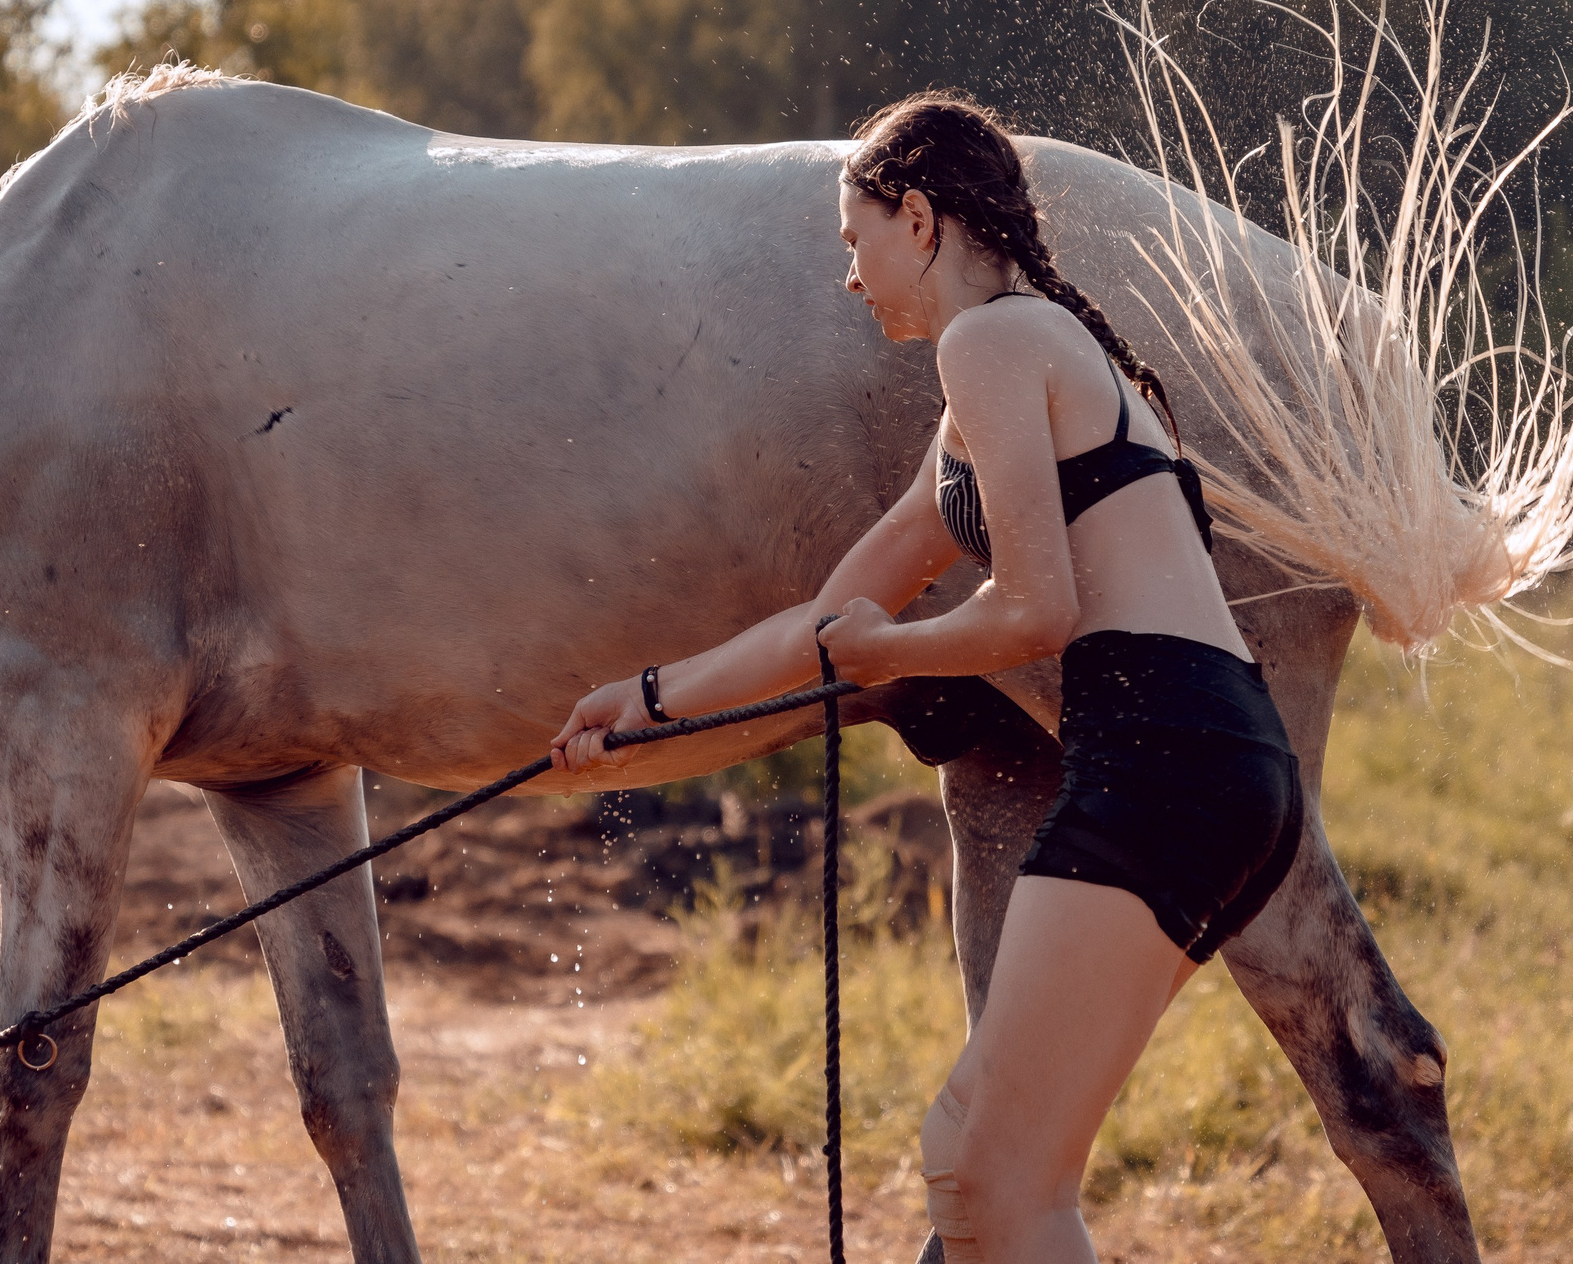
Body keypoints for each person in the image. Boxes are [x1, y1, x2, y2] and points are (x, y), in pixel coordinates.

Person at [549, 93, 1303, 1263]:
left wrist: (893, 655)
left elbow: (1034, 609)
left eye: (853, 241)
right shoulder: (993, 379)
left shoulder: (994, 341)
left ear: (916, 220)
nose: (849, 277)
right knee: (984, 1169)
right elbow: (828, 618)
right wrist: (646, 701)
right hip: (1198, 758)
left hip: (1167, 759)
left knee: (992, 1176)